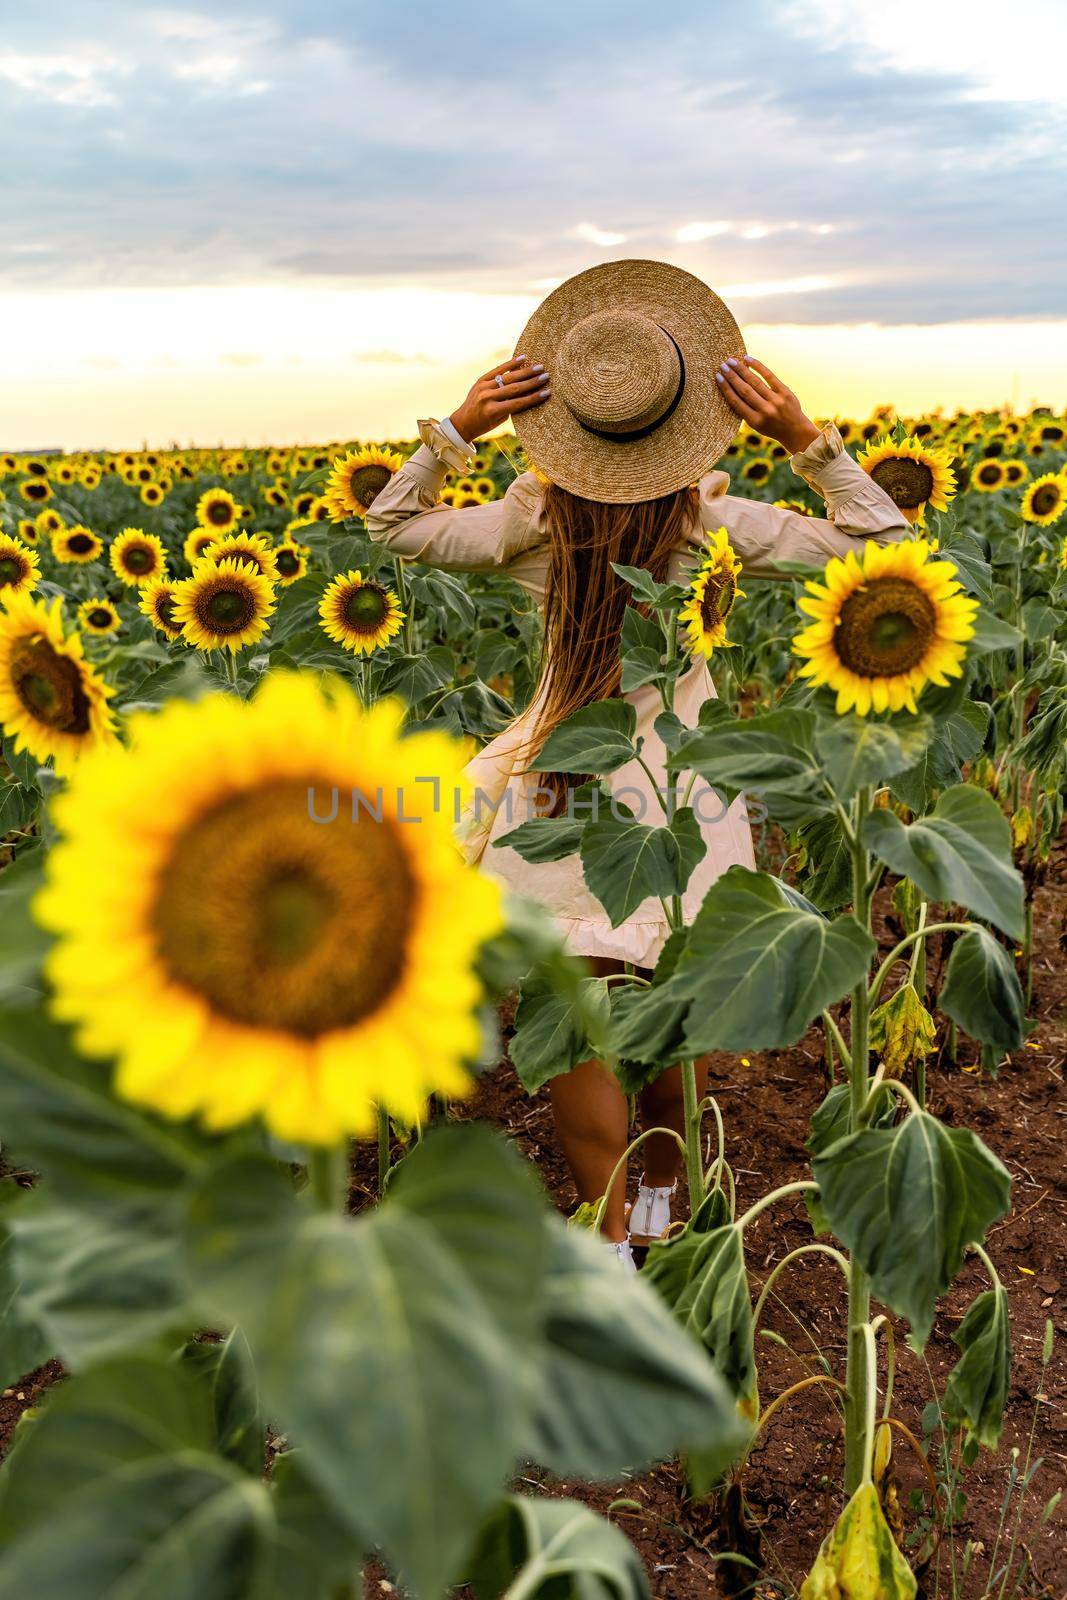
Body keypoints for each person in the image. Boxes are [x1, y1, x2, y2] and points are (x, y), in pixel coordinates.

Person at [366, 259, 909, 1266]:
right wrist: (804, 439)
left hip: (558, 789)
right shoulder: (711, 525)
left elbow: (390, 524)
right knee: (665, 1013)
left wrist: (458, 428)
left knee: (573, 1020)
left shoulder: (533, 523)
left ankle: (610, 1246)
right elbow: (881, 546)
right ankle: (660, 1215)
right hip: (679, 799)